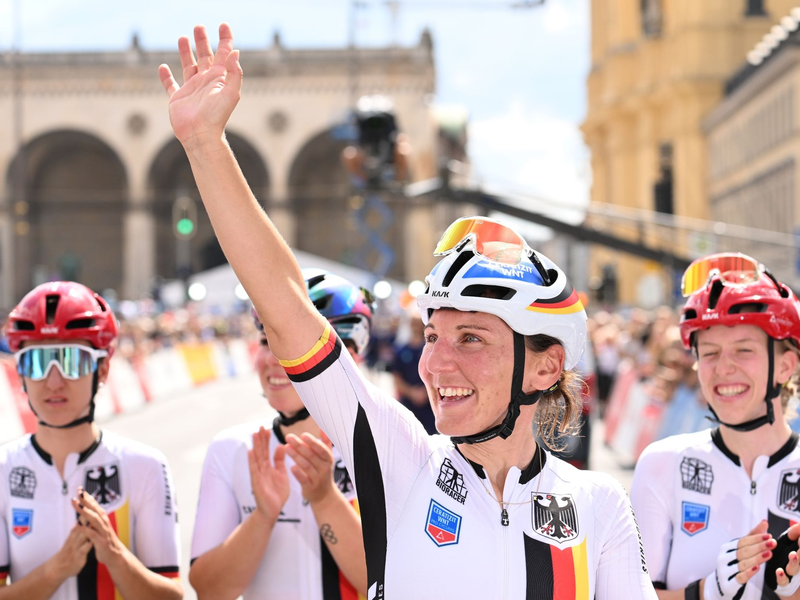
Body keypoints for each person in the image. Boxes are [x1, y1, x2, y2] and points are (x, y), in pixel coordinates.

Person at [159, 24, 656, 598]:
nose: (434, 365)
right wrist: (204, 145)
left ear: (546, 368)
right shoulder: (403, 464)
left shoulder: (599, 507)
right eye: (433, 336)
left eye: (470, 338)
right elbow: (290, 310)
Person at [189, 270, 370, 599]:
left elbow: (394, 584)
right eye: (264, 341)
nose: (273, 359)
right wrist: (263, 517)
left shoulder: (385, 448)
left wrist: (325, 499)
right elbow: (209, 590)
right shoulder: (231, 449)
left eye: (292, 345)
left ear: (349, 356)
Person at [631, 253, 800, 599]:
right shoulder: (662, 463)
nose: (723, 368)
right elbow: (628, 594)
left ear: (785, 367)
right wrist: (704, 592)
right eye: (709, 353)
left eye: (743, 350)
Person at [0, 281, 182, 600]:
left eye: (71, 361)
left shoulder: (146, 466)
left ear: (103, 369)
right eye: (38, 362)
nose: (54, 381)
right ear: (21, 373)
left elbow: (172, 595)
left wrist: (116, 556)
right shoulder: (3, 469)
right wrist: (54, 571)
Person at [391, 313, 436, 434]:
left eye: (418, 323)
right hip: (408, 404)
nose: (416, 326)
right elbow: (397, 378)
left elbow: (437, 374)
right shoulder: (401, 350)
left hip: (429, 405)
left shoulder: (432, 350)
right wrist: (412, 393)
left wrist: (426, 392)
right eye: (413, 323)